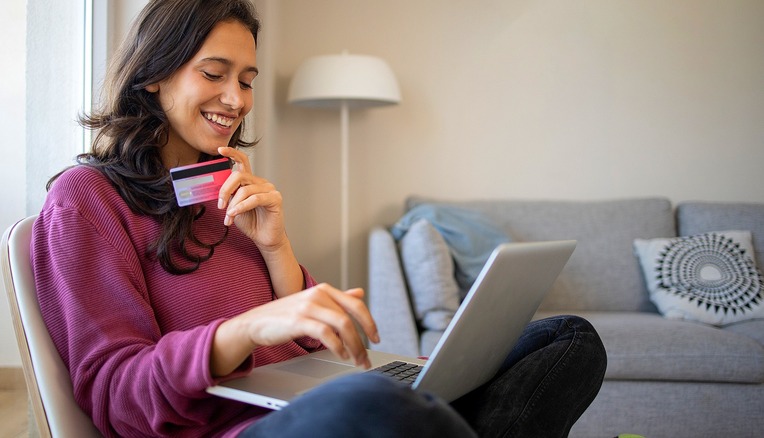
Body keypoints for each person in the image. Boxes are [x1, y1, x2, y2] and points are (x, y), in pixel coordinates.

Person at [31, 0, 607, 436]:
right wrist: (248, 328)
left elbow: (313, 353)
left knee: (567, 339)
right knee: (372, 405)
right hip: (234, 429)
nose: (235, 99)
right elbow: (115, 396)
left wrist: (277, 250)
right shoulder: (86, 201)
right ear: (154, 73)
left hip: (312, 399)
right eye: (214, 73)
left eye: (248, 80)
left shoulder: (226, 191)